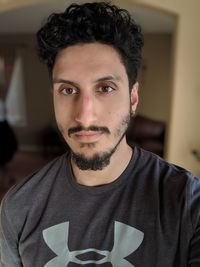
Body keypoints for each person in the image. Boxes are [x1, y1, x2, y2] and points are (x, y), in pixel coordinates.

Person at [0, 2, 199, 266]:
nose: (84, 116)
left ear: (133, 97)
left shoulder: (186, 203)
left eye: (105, 88)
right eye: (68, 90)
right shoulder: (18, 206)